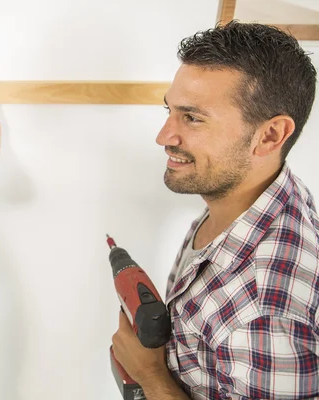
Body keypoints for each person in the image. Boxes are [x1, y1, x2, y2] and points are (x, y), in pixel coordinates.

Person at [111, 21, 318, 399]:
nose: (164, 136)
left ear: (270, 135)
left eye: (192, 118)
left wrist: (150, 374)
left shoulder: (266, 311)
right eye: (169, 110)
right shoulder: (252, 195)